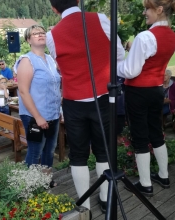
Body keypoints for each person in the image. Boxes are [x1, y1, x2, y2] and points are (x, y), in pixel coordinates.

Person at [47, 0, 125, 213]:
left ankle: (84, 205)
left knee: (79, 155)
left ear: (54, 8)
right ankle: (105, 199)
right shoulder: (99, 19)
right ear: (79, 0)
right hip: (102, 98)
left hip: (73, 102)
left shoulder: (51, 35)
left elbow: (61, 65)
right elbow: (119, 55)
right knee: (103, 151)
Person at [117, 0, 175, 196]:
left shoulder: (145, 36)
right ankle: (163, 176)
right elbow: (154, 60)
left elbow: (130, 71)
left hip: (138, 92)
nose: (145, 12)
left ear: (159, 10)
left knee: (140, 137)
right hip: (156, 90)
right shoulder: (174, 38)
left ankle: (145, 184)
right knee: (156, 132)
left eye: (147, 9)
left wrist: (117, 63)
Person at [16, 25, 61, 187]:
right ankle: (30, 186)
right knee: (35, 151)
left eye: (42, 33)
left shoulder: (50, 59)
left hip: (53, 114)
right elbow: (23, 91)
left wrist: (58, 109)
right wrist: (38, 116)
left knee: (49, 149)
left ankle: (45, 180)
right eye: (35, 34)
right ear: (28, 40)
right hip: (34, 116)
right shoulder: (27, 61)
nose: (40, 35)